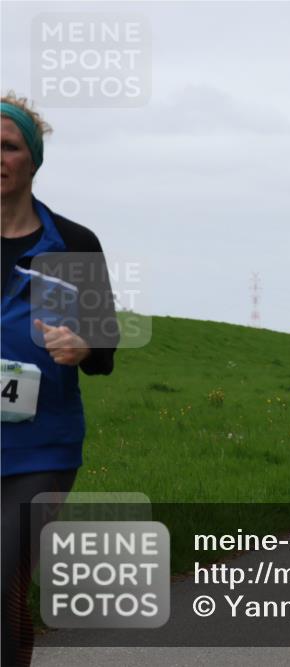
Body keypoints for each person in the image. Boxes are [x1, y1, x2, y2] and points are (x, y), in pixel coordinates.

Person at [2, 94, 120, 667]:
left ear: (32, 160)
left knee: (3, 579)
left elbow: (106, 348)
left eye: (8, 146)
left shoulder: (72, 244)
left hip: (40, 448)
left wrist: (83, 345)